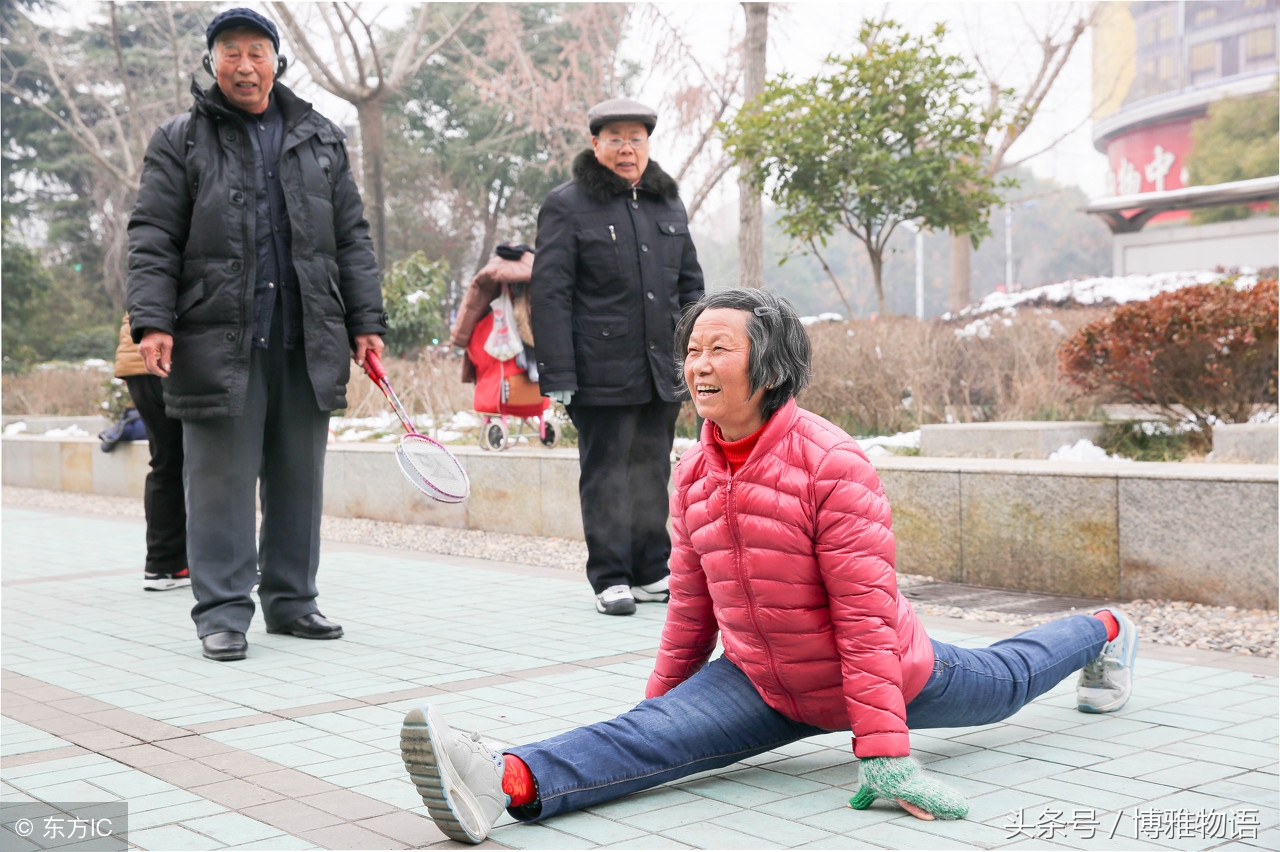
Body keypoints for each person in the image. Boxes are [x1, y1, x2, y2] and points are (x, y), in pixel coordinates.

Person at [399, 287, 1140, 843]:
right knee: (640, 737)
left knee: (1009, 682)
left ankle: (1105, 630)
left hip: (881, 677)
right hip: (762, 683)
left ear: (770, 361)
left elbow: (867, 619)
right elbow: (691, 612)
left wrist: (883, 754)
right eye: (692, 350)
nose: (698, 365)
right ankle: (496, 778)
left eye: (718, 348)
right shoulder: (692, 472)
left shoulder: (834, 464)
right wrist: (659, 717)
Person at [126, 8, 388, 662]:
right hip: (217, 338)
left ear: (277, 60)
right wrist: (153, 321)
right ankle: (221, 612)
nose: (245, 65)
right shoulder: (180, 138)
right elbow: (153, 235)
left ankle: (294, 602)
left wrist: (366, 322)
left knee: (300, 478)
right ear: (211, 62)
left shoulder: (322, 138)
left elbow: (351, 237)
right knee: (219, 482)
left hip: (308, 335)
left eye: (257, 52)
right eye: (230, 53)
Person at [530, 97, 705, 616]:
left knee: (652, 468)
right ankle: (610, 576)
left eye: (637, 139)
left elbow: (691, 284)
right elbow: (551, 293)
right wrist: (558, 372)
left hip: (660, 366)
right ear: (596, 144)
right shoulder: (567, 204)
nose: (627, 149)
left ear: (648, 144)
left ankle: (652, 570)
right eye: (616, 139)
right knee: (606, 469)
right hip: (597, 367)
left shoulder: (667, 204)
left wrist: (698, 354)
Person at [114, 315, 189, 592]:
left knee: (166, 463)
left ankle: (164, 565)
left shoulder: (146, 273)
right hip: (174, 356)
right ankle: (226, 563)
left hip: (138, 359)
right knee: (207, 463)